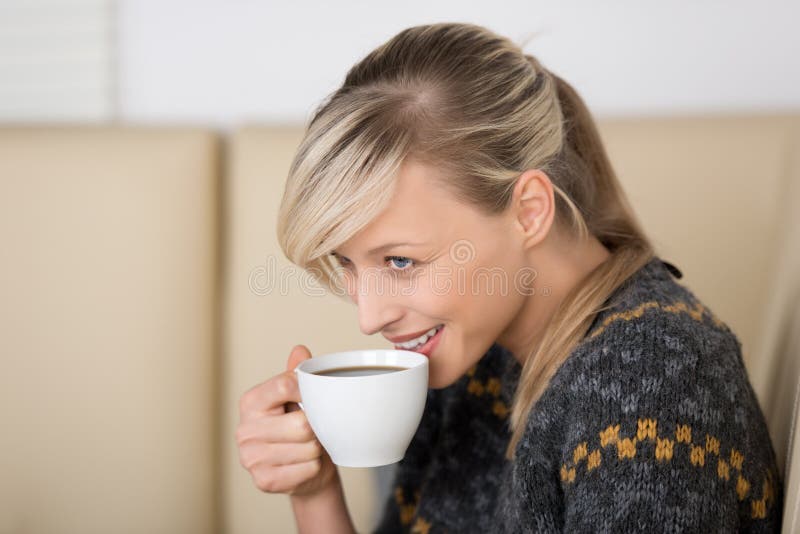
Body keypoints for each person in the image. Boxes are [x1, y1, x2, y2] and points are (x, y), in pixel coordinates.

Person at [235, 22, 783, 533]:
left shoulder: (654, 386)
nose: (370, 316)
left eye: (400, 261)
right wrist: (314, 492)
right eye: (347, 263)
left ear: (529, 211)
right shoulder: (470, 357)